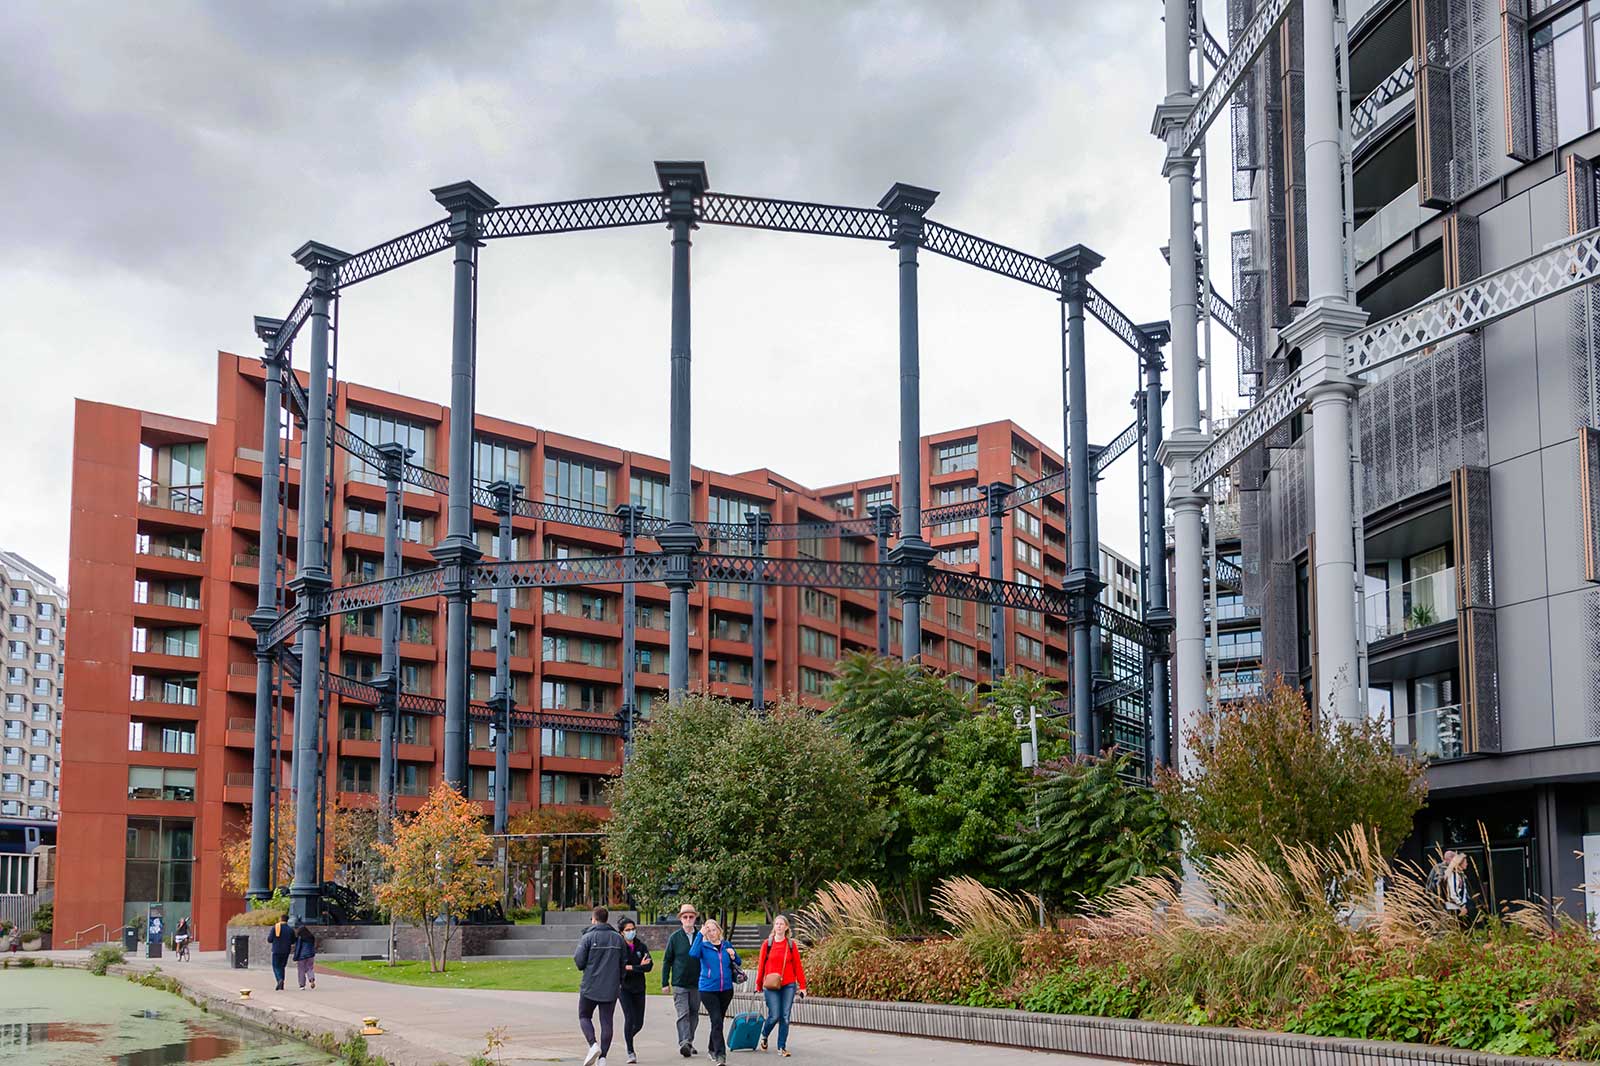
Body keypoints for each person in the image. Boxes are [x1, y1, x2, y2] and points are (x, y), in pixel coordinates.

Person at [574, 905, 626, 1066]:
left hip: (590, 985)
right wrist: (619, 982)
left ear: (594, 919)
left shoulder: (588, 938)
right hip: (611, 987)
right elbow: (623, 963)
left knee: (584, 1015)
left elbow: (579, 961)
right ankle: (603, 1058)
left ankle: (593, 1044)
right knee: (607, 1022)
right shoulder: (618, 938)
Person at [688, 919, 742, 1065]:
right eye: (708, 930)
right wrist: (700, 934)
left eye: (713, 930)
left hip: (726, 990)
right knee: (716, 1020)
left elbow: (738, 961)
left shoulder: (727, 945)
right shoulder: (703, 947)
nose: (712, 933)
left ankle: (712, 1048)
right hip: (708, 990)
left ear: (719, 930)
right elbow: (692, 954)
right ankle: (720, 1055)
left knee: (718, 1021)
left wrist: (733, 955)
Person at [754, 914, 807, 1056]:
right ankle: (764, 1034)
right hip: (771, 985)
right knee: (774, 1015)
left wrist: (802, 986)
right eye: (776, 924)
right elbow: (761, 966)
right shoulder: (767, 944)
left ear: (786, 927)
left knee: (785, 1016)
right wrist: (758, 984)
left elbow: (798, 966)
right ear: (774, 927)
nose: (779, 926)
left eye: (781, 924)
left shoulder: (791, 945)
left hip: (788, 984)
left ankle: (781, 1047)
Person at [660, 903, 703, 1058]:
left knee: (694, 1013)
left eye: (691, 917)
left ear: (695, 918)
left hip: (697, 983)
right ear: (681, 919)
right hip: (679, 983)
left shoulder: (701, 937)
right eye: (685, 917)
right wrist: (665, 982)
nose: (688, 919)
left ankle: (689, 1041)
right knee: (683, 1013)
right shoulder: (675, 938)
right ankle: (684, 1042)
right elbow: (667, 961)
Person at [616, 918, 654, 1065]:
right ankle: (630, 1051)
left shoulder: (641, 946)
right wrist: (637, 966)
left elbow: (649, 966)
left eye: (633, 929)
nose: (631, 932)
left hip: (639, 988)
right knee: (629, 1018)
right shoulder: (619, 948)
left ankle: (628, 1038)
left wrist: (632, 967)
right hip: (624, 988)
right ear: (621, 932)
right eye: (627, 930)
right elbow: (621, 968)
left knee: (639, 1023)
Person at [266, 916, 294, 991]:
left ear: (280, 919)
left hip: (276, 950)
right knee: (282, 966)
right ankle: (282, 983)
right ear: (287, 920)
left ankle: (279, 979)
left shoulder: (275, 927)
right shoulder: (290, 929)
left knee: (276, 966)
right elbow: (293, 940)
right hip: (286, 950)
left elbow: (270, 939)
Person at [1444, 852, 1470, 929]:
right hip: (1454, 907)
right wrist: (1461, 906)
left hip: (1460, 906)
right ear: (1460, 863)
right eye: (1465, 862)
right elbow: (1452, 893)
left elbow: (1463, 891)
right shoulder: (1453, 875)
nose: (1467, 864)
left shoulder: (1460, 874)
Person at [293, 920, 317, 989]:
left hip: (302, 956)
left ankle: (302, 985)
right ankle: (311, 979)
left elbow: (298, 948)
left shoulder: (300, 938)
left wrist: (295, 957)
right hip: (310, 955)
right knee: (310, 968)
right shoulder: (311, 937)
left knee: (301, 970)